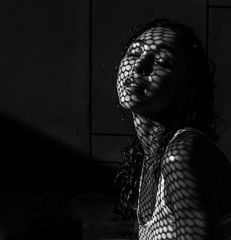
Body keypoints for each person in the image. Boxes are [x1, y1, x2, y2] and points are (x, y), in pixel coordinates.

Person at [114, 18, 231, 240]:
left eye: (162, 61)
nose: (139, 66)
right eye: (133, 53)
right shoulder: (149, 156)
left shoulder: (181, 155)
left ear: (188, 89)